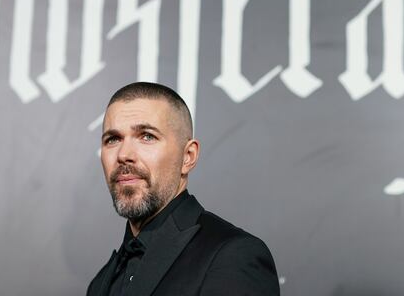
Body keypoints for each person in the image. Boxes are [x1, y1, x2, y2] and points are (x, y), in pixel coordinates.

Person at [87, 82, 280, 296]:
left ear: (188, 157)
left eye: (147, 136)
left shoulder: (233, 256)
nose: (124, 154)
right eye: (113, 139)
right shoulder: (101, 283)